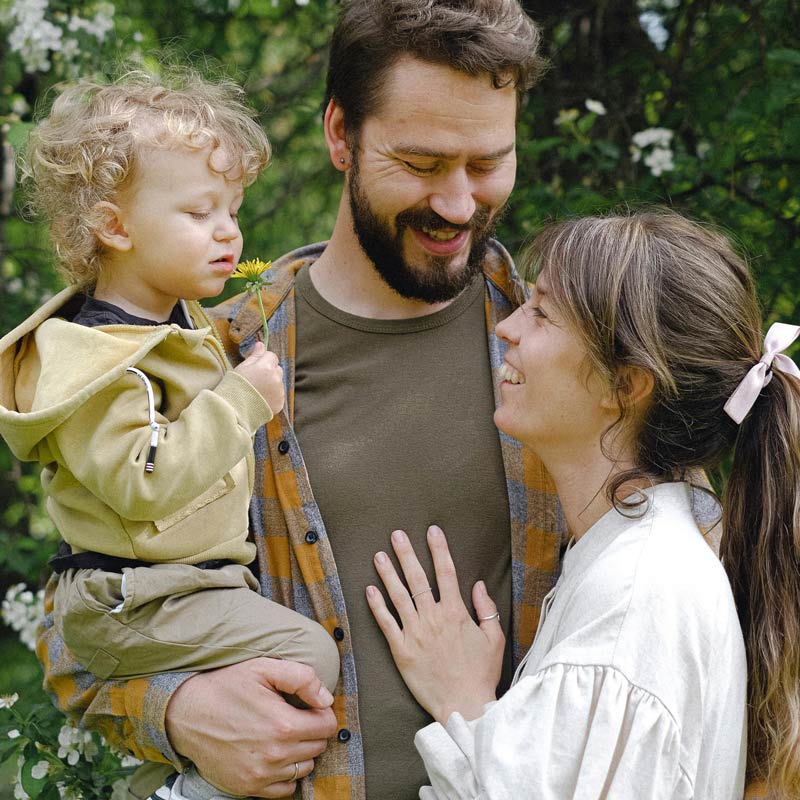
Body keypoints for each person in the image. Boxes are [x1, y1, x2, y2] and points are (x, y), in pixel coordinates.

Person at [34, 5, 720, 799]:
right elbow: (83, 624)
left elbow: (703, 627)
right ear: (340, 135)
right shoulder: (213, 364)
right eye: (423, 164)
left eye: (488, 162)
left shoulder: (580, 372)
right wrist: (178, 709)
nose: (460, 203)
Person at [365, 208, 800, 798]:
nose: (508, 328)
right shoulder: (634, 559)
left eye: (541, 313)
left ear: (624, 385)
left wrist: (463, 703)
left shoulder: (634, 597)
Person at [0, 70, 340, 800]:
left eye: (234, 210)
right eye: (199, 211)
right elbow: (141, 479)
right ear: (115, 227)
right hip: (132, 600)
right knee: (308, 651)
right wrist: (241, 402)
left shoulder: (175, 324)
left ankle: (169, 772)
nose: (229, 231)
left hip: (179, 589)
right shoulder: (92, 360)